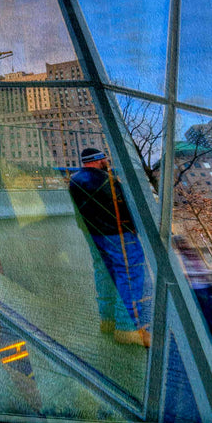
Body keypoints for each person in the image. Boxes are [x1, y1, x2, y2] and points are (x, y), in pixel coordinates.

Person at [69, 148, 150, 347]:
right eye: (105, 158)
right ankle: (127, 328)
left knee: (104, 273)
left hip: (93, 234)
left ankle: (108, 320)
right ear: (98, 160)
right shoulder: (107, 180)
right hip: (117, 233)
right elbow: (124, 206)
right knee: (129, 274)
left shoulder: (74, 180)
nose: (107, 161)